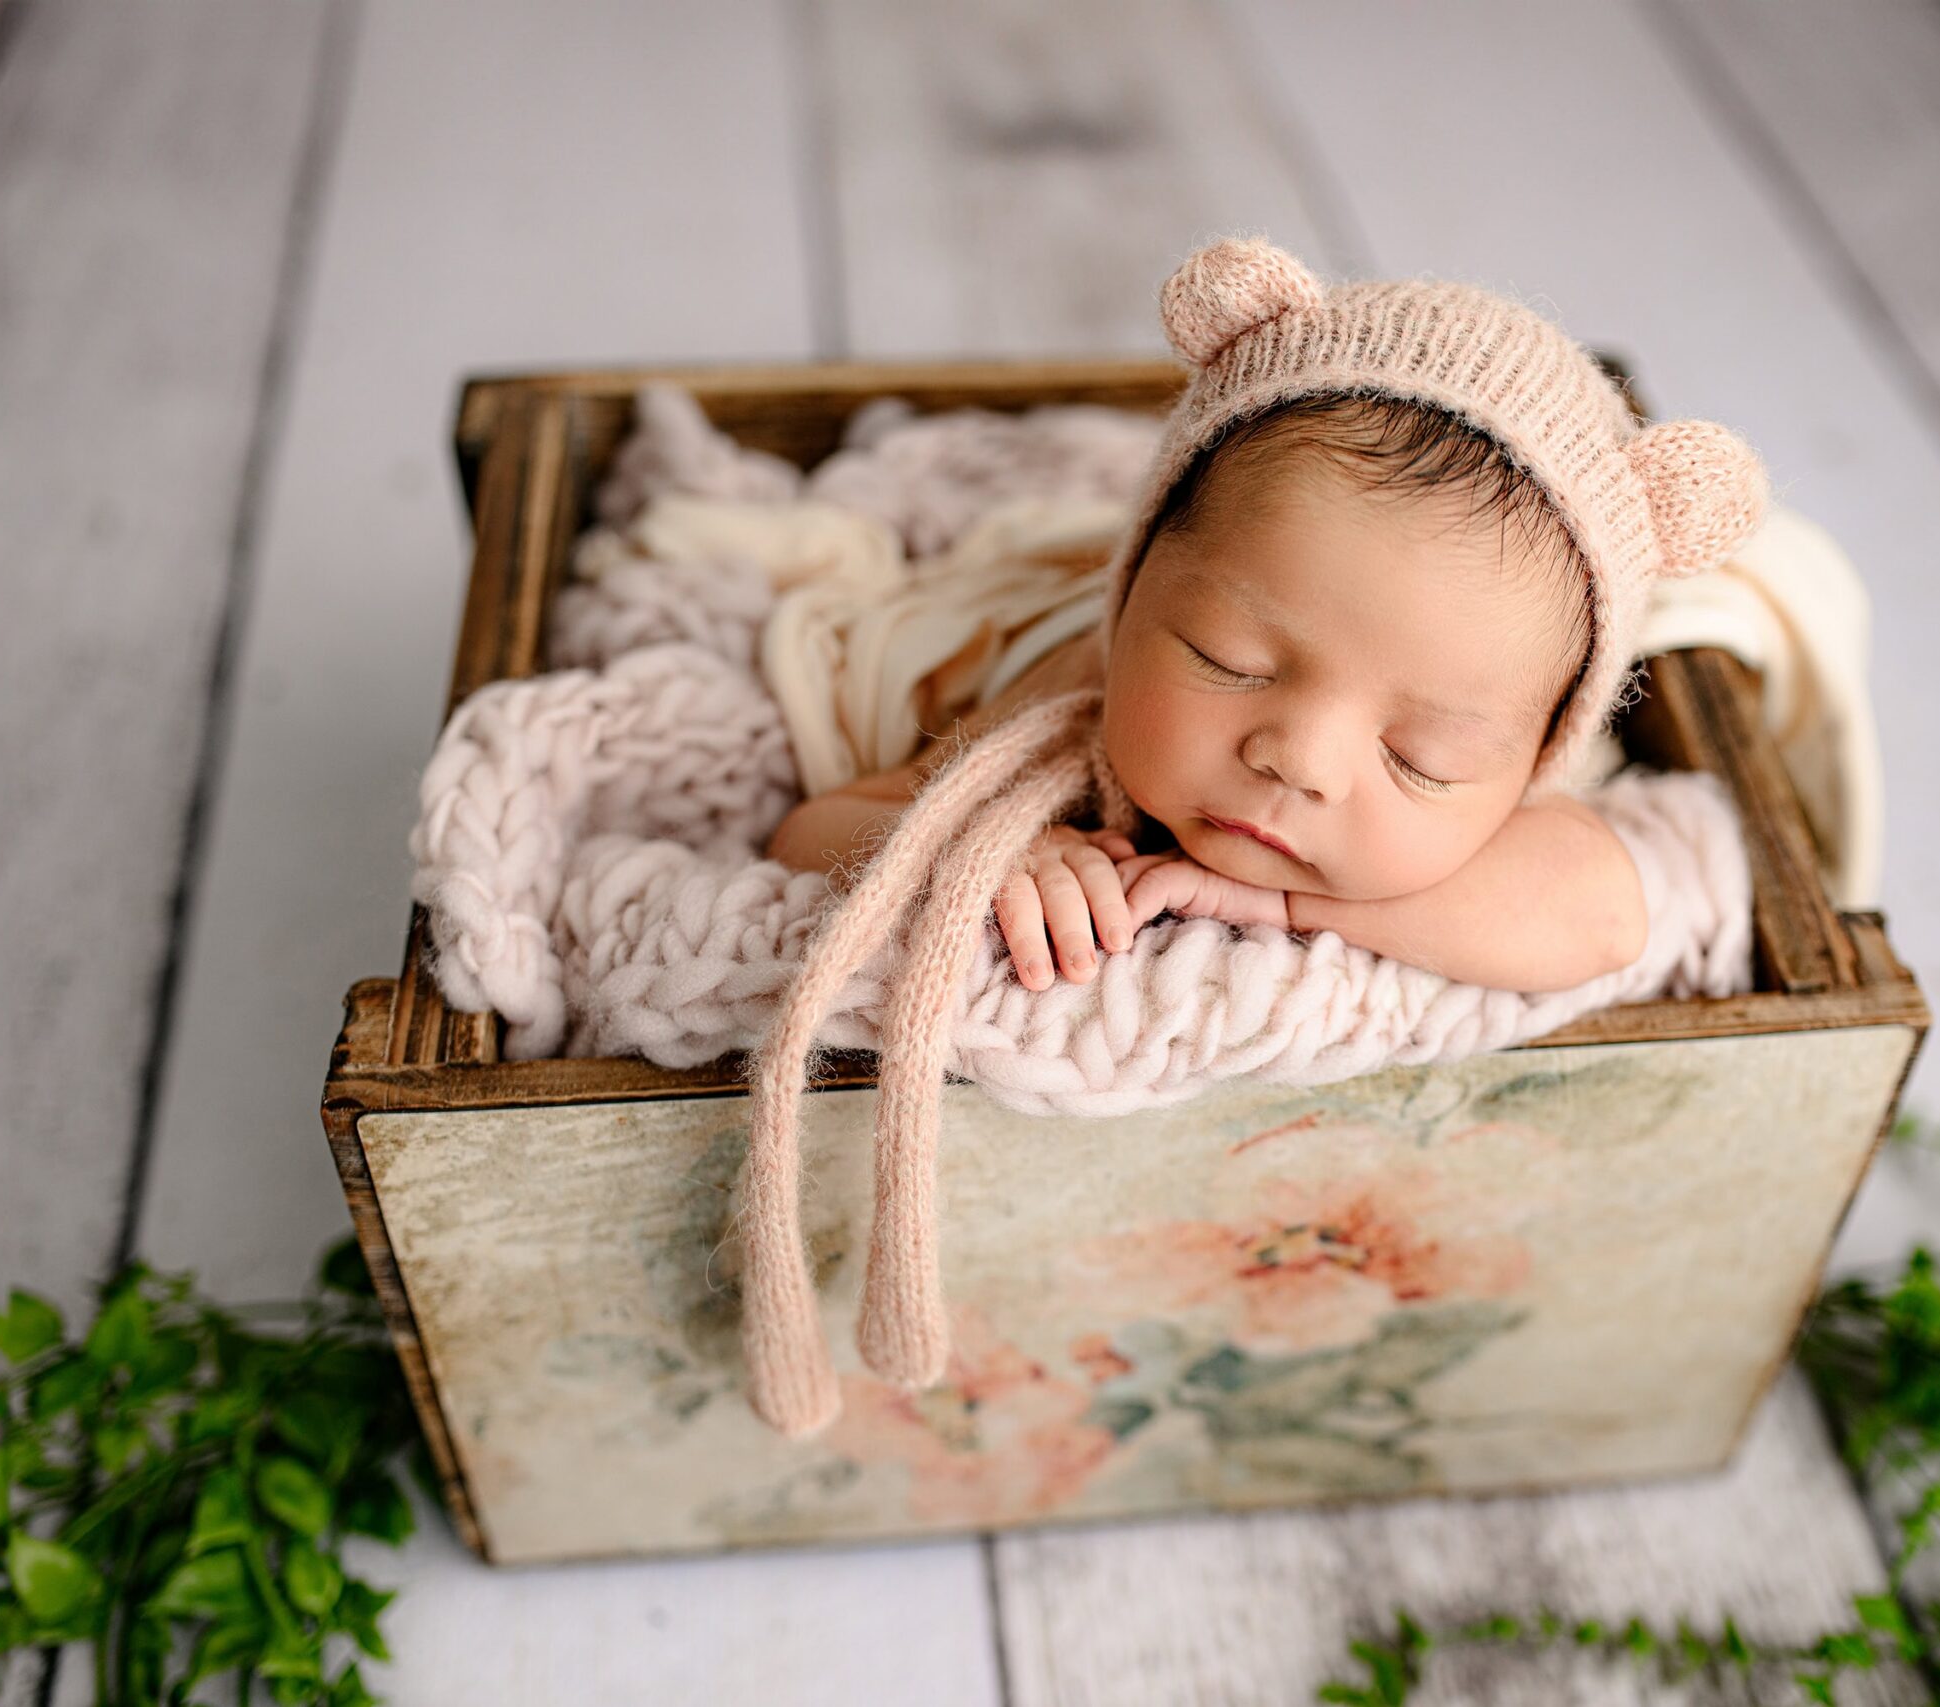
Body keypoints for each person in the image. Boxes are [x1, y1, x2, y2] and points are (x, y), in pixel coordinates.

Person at [738, 235, 1770, 1437]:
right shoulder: (1058, 704)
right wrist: (988, 853)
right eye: (1226, 662)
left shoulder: (1527, 791)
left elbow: (1599, 916)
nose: (1300, 759)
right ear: (1131, 599)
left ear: (1534, 754)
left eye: (1418, 758)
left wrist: (1295, 908)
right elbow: (810, 830)